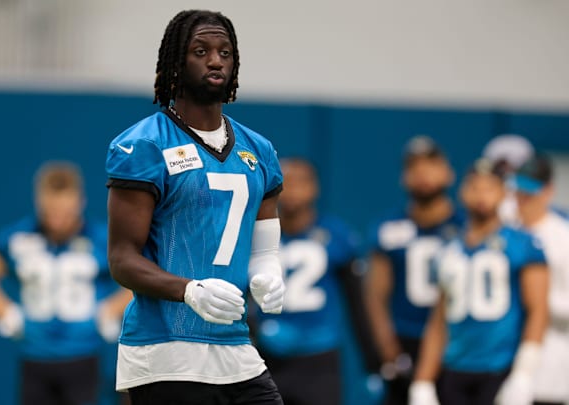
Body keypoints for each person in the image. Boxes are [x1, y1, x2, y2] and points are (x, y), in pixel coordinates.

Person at [105, 9, 285, 405]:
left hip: (236, 348)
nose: (215, 59)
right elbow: (121, 258)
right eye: (200, 50)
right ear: (176, 62)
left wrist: (269, 273)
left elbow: (265, 250)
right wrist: (188, 290)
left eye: (225, 52)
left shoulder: (259, 150)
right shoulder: (145, 145)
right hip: (165, 349)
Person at [0, 162, 131, 405]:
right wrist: (7, 312)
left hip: (82, 354)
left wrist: (110, 310)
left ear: (80, 202)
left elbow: (139, 276)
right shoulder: (21, 237)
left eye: (65, 212)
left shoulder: (101, 238)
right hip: (35, 354)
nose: (57, 221)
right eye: (50, 212)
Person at [410, 159, 549, 405]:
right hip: (455, 367)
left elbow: (538, 311)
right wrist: (422, 381)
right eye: (475, 187)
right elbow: (438, 320)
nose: (481, 196)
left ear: (503, 193)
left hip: (499, 367)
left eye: (489, 188)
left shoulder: (522, 244)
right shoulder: (449, 249)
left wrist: (524, 373)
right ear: (463, 192)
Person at [253, 158, 371, 405]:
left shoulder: (336, 235)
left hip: (319, 359)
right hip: (264, 357)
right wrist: (256, 328)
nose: (292, 190)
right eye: (286, 182)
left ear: (314, 188)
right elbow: (235, 295)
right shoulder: (254, 234)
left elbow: (358, 305)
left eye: (300, 182)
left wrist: (374, 362)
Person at [365, 136, 463, 405]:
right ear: (404, 177)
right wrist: (388, 349)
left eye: (431, 165)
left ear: (448, 173)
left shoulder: (467, 227)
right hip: (406, 339)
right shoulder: (390, 228)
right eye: (414, 167)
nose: (423, 174)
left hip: (459, 342)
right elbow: (375, 294)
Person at [511, 155, 569, 405]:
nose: (523, 199)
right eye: (519, 191)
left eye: (531, 192)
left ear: (548, 192)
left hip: (551, 362)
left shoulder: (562, 238)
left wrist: (537, 301)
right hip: (504, 358)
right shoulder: (506, 229)